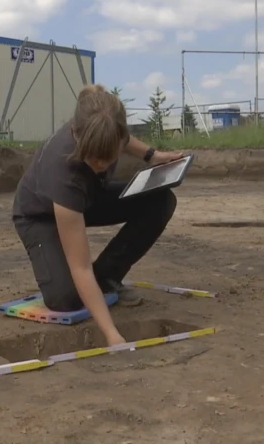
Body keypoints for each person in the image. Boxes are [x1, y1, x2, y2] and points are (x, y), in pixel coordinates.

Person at [11, 84, 184, 346]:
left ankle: (105, 277)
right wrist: (112, 334)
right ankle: (90, 287)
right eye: (94, 159)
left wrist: (153, 156)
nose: (102, 165)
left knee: (160, 200)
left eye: (108, 157)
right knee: (65, 299)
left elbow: (125, 138)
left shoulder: (107, 124)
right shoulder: (64, 173)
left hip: (88, 197)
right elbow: (79, 266)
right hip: (41, 215)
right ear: (77, 136)